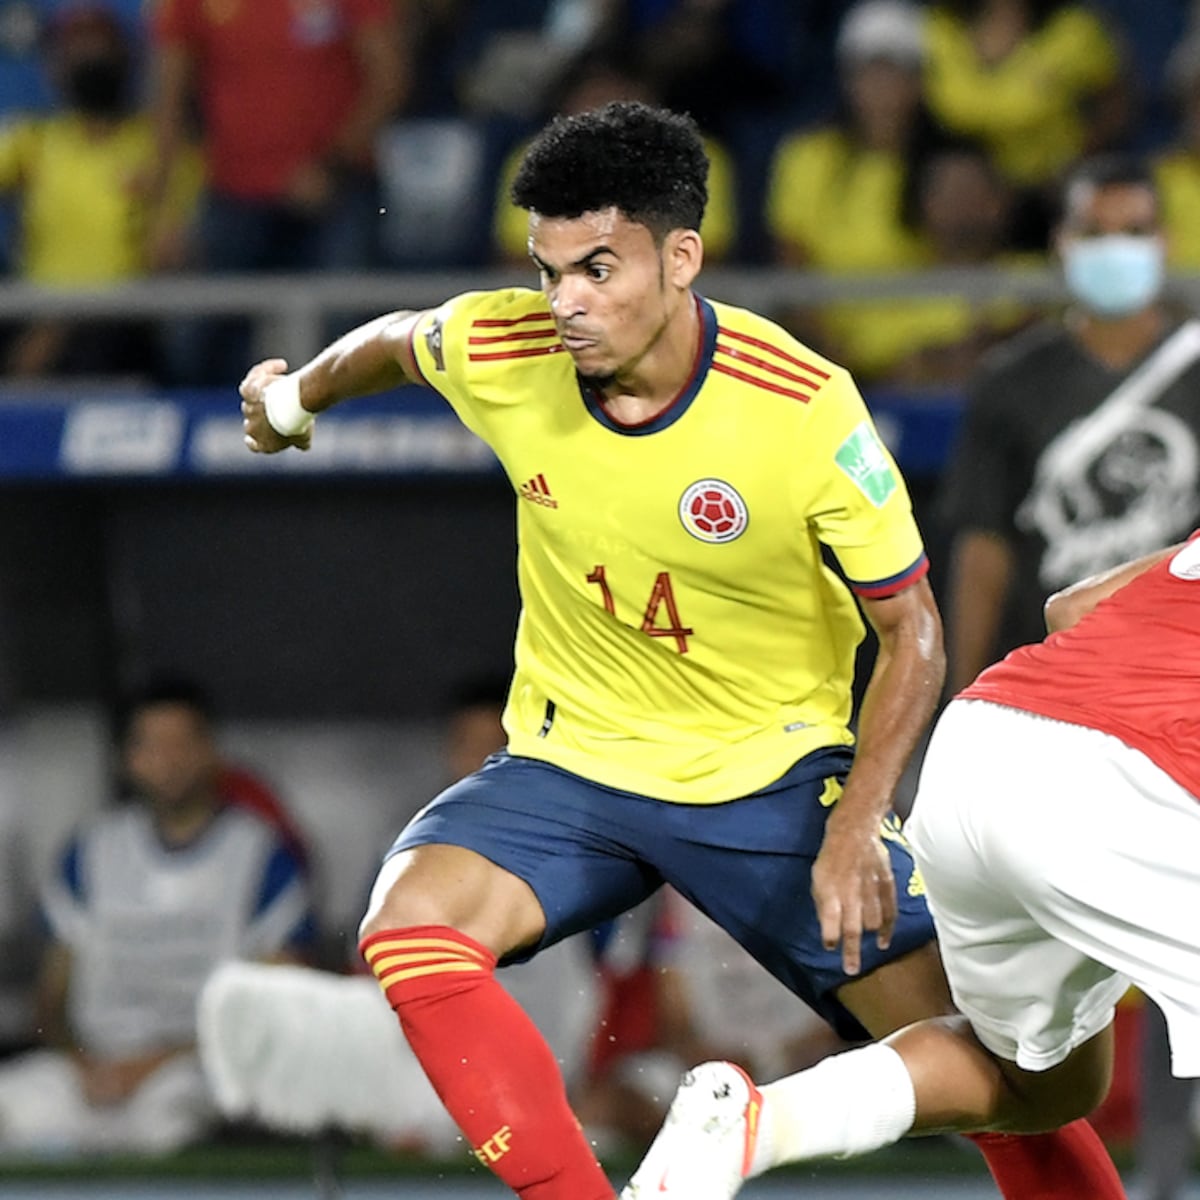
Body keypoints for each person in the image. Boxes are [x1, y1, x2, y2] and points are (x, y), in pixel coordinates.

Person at [239, 100, 1123, 1199]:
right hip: (575, 765)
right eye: (549, 269)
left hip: (775, 781)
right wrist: (290, 400)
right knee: (409, 926)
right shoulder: (506, 345)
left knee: (1002, 1067)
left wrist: (857, 822)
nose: (565, 301)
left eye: (598, 269)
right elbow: (394, 342)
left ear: (682, 258)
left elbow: (915, 631)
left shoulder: (802, 409)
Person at [623, 530, 1200, 1198]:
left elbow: (1071, 610)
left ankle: (752, 1123)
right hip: (1128, 783)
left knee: (1039, 1085)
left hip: (987, 746)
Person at [0, 676, 315, 1155]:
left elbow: (281, 1004)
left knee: (172, 1123)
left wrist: (154, 1064)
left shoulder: (260, 856)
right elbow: (52, 997)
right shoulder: (90, 851)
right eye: (151, 745)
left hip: (198, 1068)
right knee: (14, 1106)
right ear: (129, 759)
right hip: (94, 1069)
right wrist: (81, 1062)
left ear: (210, 751)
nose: (168, 760)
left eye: (182, 743)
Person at [940, 153, 1200, 697]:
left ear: (1165, 242)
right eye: (1094, 231)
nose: (1115, 249)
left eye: (1134, 231)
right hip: (1051, 683)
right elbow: (983, 552)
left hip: (1179, 682)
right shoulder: (1009, 380)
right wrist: (964, 695)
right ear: (1062, 241)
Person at [147, 0, 407, 385]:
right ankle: (221, 440)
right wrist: (163, 211)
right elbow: (169, 94)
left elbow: (390, 76)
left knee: (348, 340)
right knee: (197, 343)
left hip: (336, 192)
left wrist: (331, 165)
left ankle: (342, 439)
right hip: (232, 193)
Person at [0, 2, 200, 379]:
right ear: (54, 63)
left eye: (100, 43)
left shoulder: (161, 149)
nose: (89, 56)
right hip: (36, 312)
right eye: (75, 46)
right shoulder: (34, 144)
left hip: (123, 320)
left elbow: (178, 244)